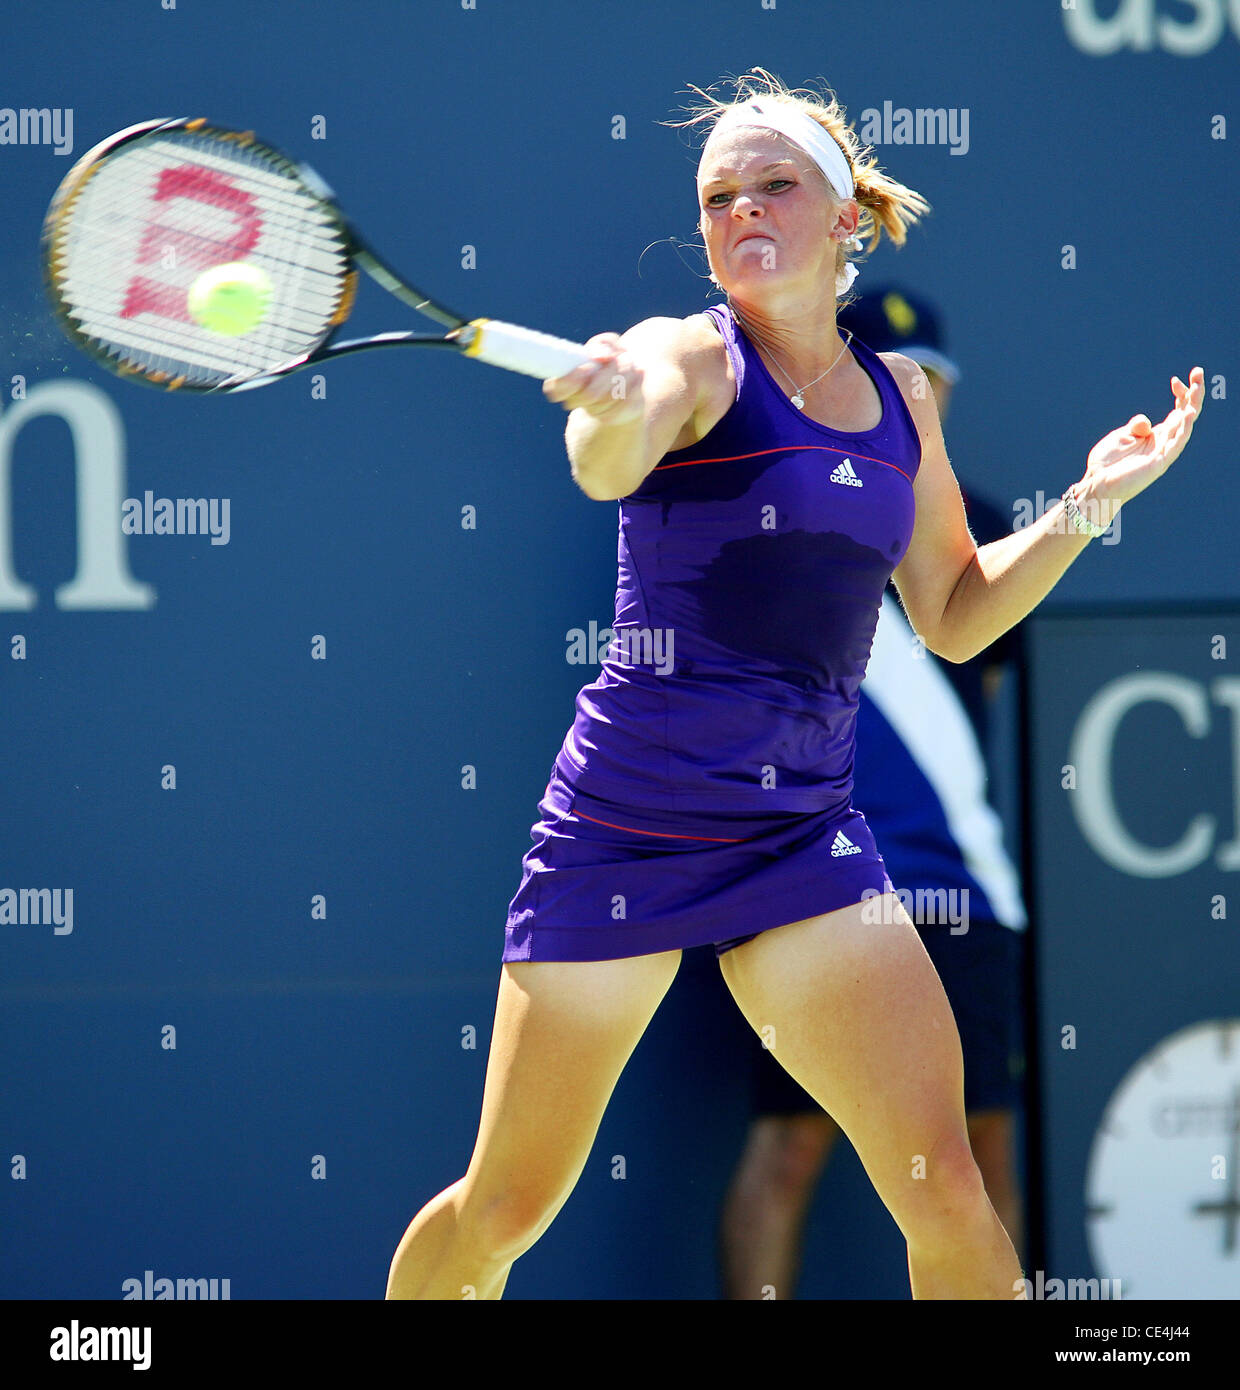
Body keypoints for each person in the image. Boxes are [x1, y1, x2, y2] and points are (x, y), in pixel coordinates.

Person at [384, 68, 1203, 1301]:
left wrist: (1086, 507)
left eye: (775, 184)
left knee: (948, 1197)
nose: (742, 209)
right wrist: (607, 410)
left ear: (847, 223)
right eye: (719, 195)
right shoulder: (685, 357)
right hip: (624, 829)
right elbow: (609, 459)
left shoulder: (901, 401)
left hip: (800, 840)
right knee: (503, 1209)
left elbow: (954, 610)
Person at [717, 286, 1030, 1299]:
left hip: (960, 892)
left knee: (978, 1153)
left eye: (932, 383)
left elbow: (974, 676)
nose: (919, 401)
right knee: (790, 1142)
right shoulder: (767, 507)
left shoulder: (975, 527)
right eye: (903, 382)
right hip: (812, 888)